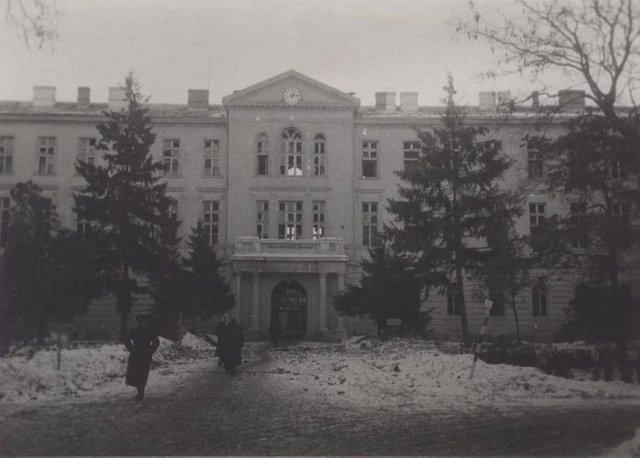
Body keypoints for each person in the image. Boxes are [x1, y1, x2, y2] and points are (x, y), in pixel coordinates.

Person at [124, 315, 160, 401]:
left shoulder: (150, 331)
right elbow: (126, 340)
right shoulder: (135, 331)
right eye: (140, 321)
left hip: (143, 354)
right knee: (136, 373)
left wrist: (150, 350)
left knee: (143, 373)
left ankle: (141, 392)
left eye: (143, 321)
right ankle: (140, 391)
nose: (142, 323)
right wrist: (131, 349)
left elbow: (156, 342)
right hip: (137, 354)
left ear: (146, 322)